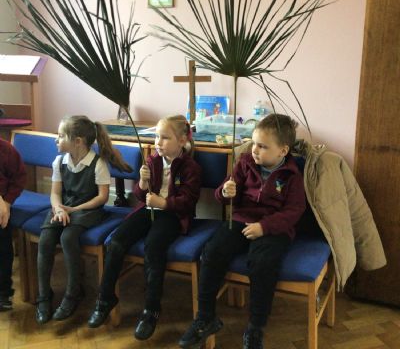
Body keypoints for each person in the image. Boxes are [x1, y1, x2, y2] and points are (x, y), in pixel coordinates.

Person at [179, 114, 306, 349]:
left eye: (262, 146)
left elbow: (294, 211)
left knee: (262, 263)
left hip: (274, 228)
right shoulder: (245, 163)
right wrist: (225, 192)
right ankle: (205, 318)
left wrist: (264, 227)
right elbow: (225, 195)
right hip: (241, 220)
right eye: (254, 143)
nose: (254, 149)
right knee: (212, 252)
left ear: (283, 150)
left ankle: (255, 327)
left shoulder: (292, 176)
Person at [87, 115, 201, 341]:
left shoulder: (191, 167)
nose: (158, 142)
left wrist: (164, 203)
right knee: (116, 242)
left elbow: (189, 201)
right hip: (147, 210)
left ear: (181, 141)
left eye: (165, 138)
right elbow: (140, 195)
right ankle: (105, 298)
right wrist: (142, 182)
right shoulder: (153, 160)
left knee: (153, 247)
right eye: (157, 136)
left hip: (172, 215)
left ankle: (151, 309)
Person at [35, 115, 131, 324]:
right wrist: (58, 209)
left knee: (68, 237)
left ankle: (73, 293)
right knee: (46, 239)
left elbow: (102, 198)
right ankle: (43, 296)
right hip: (63, 207)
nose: (56, 139)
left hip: (88, 210)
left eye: (61, 136)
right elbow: (55, 193)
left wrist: (74, 209)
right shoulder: (59, 162)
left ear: (77, 141)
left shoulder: (98, 163)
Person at [0, 138, 27, 311]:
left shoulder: (6, 150)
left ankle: (3, 293)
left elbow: (19, 178)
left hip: (3, 204)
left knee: (3, 246)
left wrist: (7, 203)